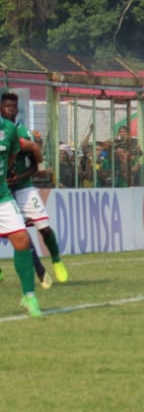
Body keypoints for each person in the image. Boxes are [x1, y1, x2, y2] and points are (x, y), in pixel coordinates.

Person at [4, 93, 68, 287]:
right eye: (6, 107)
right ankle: (40, 272)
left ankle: (56, 260)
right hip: (4, 191)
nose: (10, 110)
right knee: (19, 234)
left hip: (23, 188)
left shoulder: (21, 132)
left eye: (13, 107)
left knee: (44, 228)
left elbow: (33, 160)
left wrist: (25, 175)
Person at [0, 108, 45, 316]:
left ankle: (29, 297)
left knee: (22, 240)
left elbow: (10, 158)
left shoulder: (9, 129)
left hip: (2, 196)